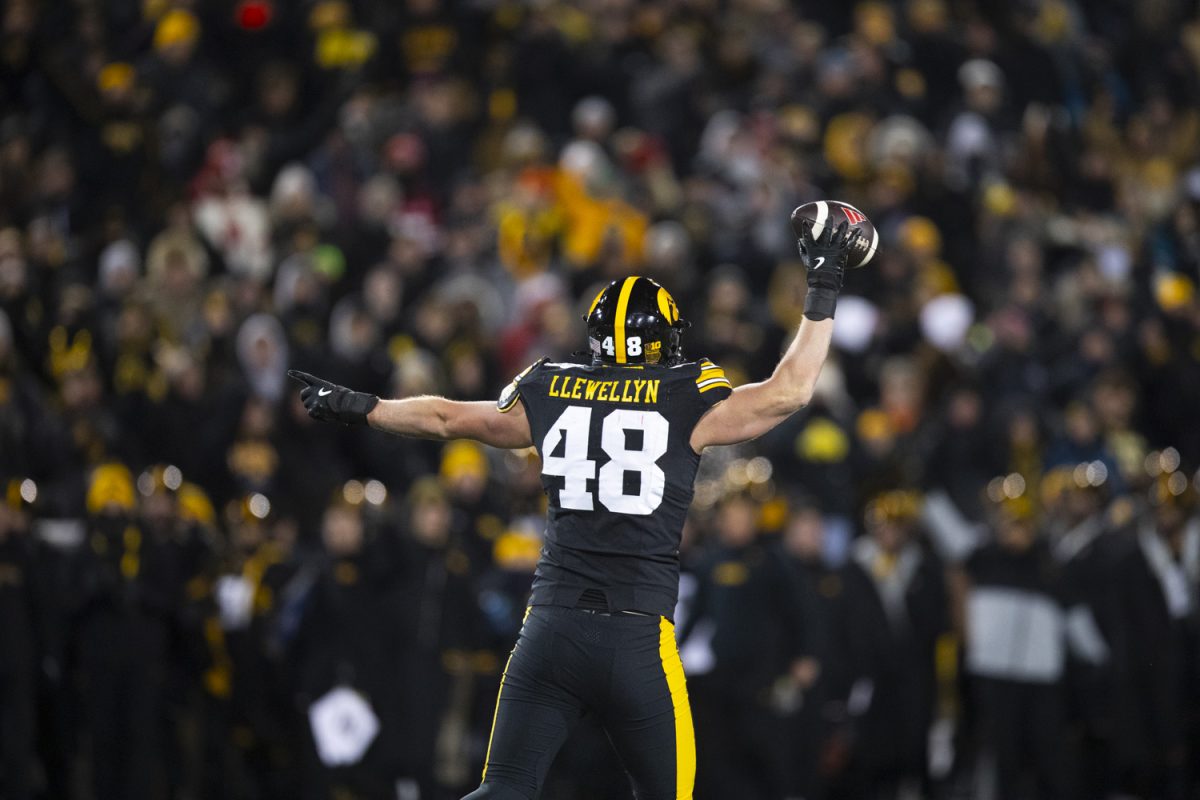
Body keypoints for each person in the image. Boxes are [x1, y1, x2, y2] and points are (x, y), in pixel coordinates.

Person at [289, 217, 861, 800]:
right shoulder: (688, 393)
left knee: (503, 790)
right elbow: (790, 390)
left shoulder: (550, 385)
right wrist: (824, 283)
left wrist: (366, 407)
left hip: (550, 629)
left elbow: (445, 417)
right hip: (638, 639)